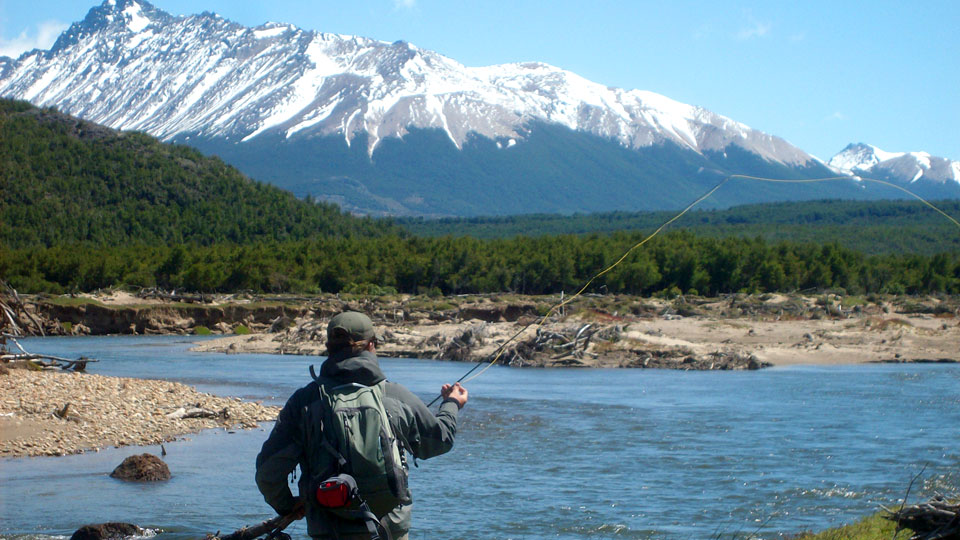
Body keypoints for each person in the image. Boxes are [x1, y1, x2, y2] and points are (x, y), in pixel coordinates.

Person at [256, 311, 468, 539]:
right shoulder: (396, 396)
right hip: (388, 530)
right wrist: (452, 403)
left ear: (329, 347)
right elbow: (440, 440)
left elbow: (268, 473)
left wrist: (288, 505)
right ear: (372, 345)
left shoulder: (304, 402)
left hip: (329, 530)